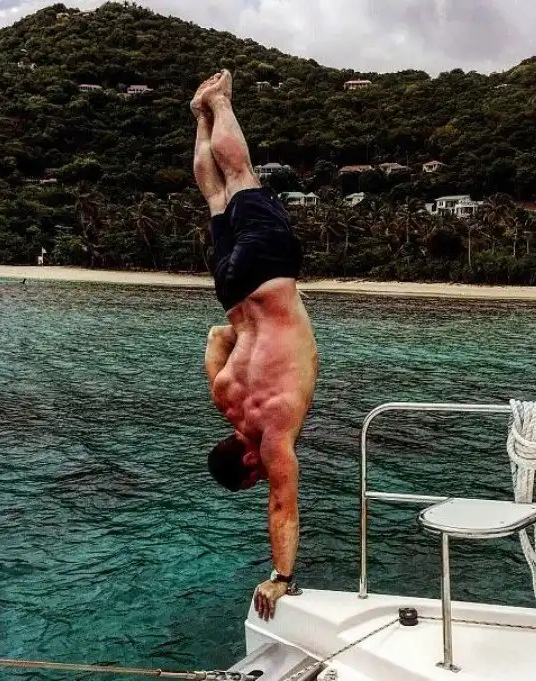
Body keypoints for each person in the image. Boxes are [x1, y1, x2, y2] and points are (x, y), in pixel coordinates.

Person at [190, 70, 318, 622]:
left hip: (268, 273)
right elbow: (217, 335)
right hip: (231, 290)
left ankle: (218, 103)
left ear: (247, 460)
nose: (262, 474)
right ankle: (201, 118)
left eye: (253, 476)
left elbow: (282, 506)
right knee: (216, 197)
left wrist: (280, 577)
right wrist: (251, 332)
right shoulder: (222, 395)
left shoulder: (272, 432)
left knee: (240, 175)